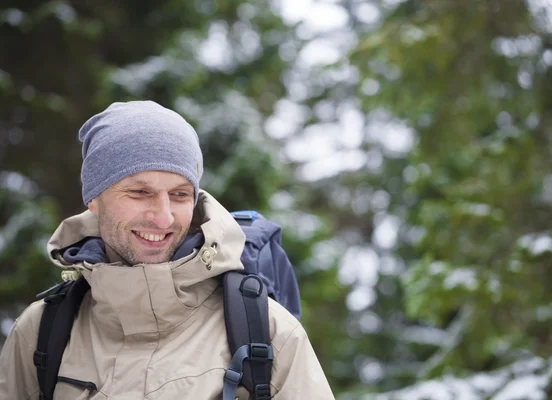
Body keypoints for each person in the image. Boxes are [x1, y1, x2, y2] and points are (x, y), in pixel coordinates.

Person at [0, 101, 335, 399]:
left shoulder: (267, 329)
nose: (163, 217)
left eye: (179, 195)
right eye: (139, 192)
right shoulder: (41, 331)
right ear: (95, 200)